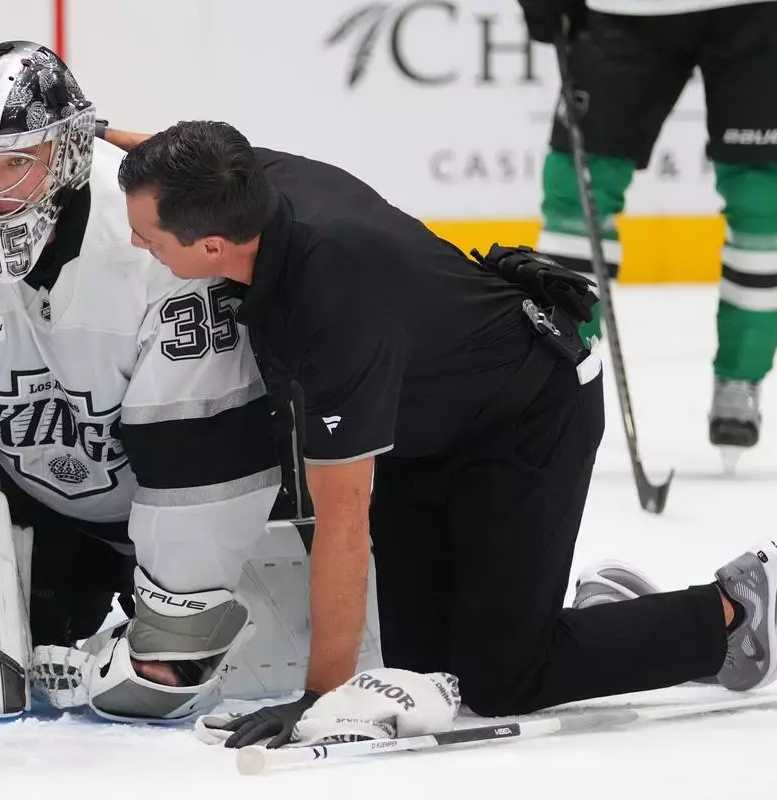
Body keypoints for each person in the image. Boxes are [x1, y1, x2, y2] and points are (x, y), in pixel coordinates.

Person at [114, 119, 777, 747]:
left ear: (212, 246)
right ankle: (607, 615)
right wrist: (90, 128)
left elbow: (344, 522)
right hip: (423, 427)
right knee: (422, 673)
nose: (138, 244)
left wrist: (319, 700)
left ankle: (734, 610)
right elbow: (171, 153)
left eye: (149, 237)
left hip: (529, 414)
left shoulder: (333, 304)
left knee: (501, 681)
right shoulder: (239, 178)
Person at [0, 41, 284, 721]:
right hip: (45, 510)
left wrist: (177, 622)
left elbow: (201, 447)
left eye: (17, 161)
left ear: (72, 149)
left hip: (185, 501)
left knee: (165, 686)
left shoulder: (159, 238)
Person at [520, 0, 777, 452]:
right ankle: (559, 370)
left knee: (762, 204)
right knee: (579, 192)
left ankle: (741, 378)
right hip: (625, 10)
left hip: (757, 13)